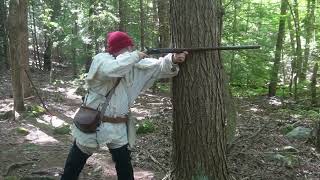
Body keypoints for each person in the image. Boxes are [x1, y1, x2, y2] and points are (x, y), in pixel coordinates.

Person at [60, 31, 188, 180]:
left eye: (130, 48)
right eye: (127, 48)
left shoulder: (133, 62)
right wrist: (134, 56)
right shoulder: (102, 60)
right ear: (118, 49)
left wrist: (172, 59)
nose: (129, 50)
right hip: (93, 123)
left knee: (124, 166)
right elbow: (112, 70)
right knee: (74, 165)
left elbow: (159, 66)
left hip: (118, 127)